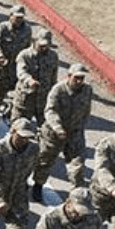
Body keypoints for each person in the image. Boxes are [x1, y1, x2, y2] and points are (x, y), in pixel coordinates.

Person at [31, 63, 92, 197]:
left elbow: (86, 110)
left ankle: (76, 194)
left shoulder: (87, 90)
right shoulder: (58, 90)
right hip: (54, 132)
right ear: (69, 76)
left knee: (78, 164)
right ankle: (38, 184)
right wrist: (58, 127)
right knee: (45, 160)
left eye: (82, 78)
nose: (79, 81)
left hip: (75, 132)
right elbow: (50, 111)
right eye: (76, 78)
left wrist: (81, 126)